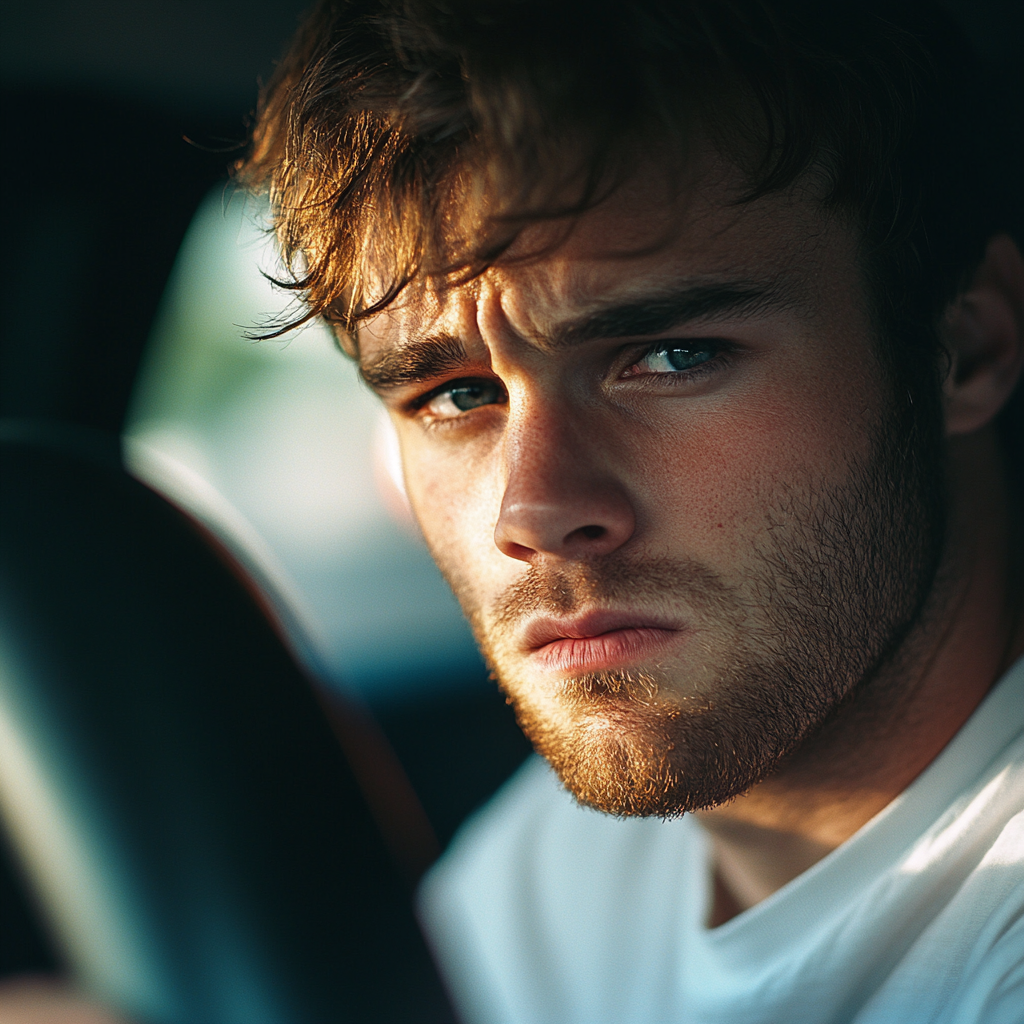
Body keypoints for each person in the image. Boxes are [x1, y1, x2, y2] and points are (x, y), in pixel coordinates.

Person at [237, 0, 1024, 1020]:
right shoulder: (552, 871)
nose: (535, 506)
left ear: (963, 350)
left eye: (669, 356)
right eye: (458, 395)